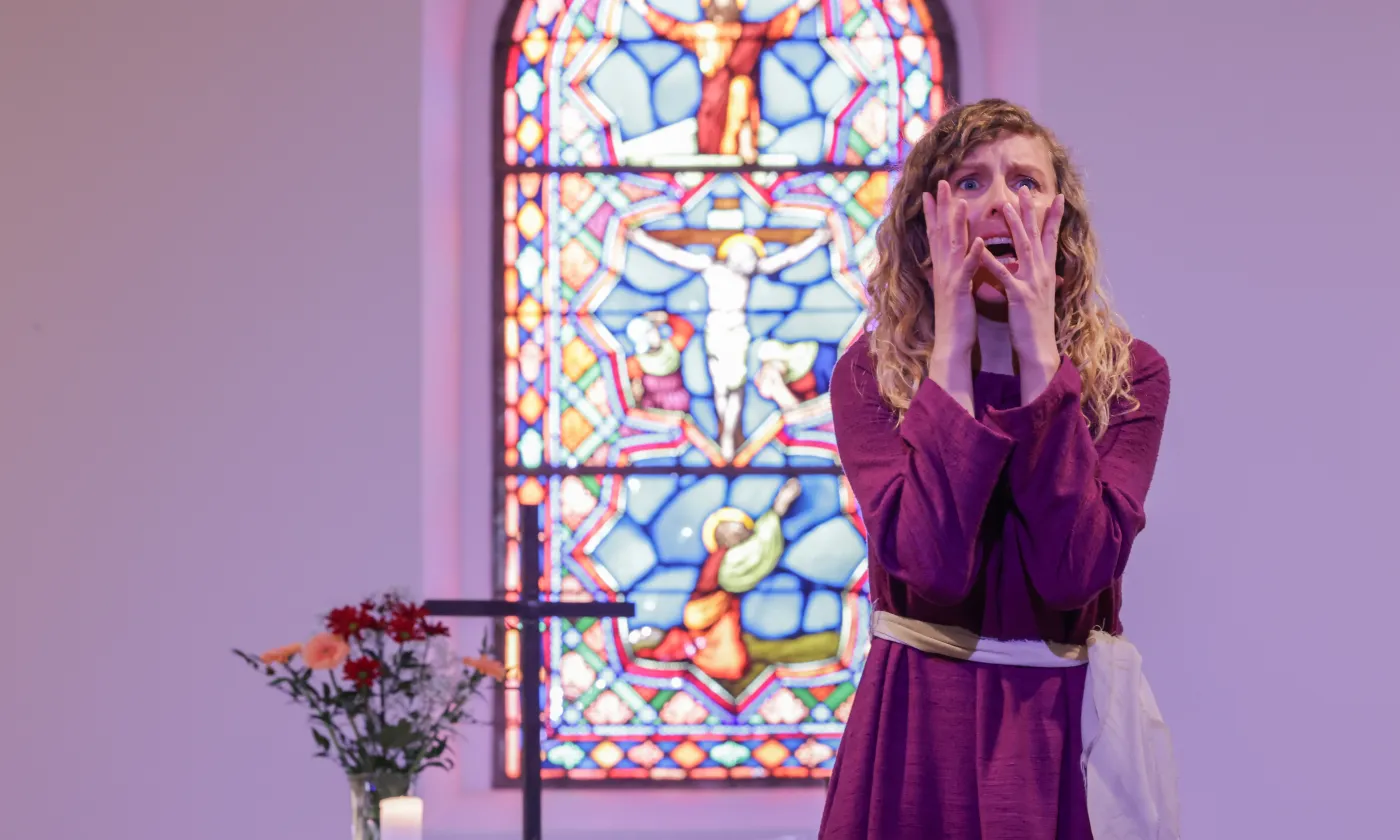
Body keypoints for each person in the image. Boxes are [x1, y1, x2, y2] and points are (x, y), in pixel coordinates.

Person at [820, 100, 1179, 839]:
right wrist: (950, 348)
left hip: (1058, 730)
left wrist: (1041, 359)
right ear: (926, 230)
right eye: (970, 182)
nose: (1000, 203)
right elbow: (930, 567)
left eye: (1024, 182)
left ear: (1062, 224)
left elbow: (1073, 571)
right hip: (918, 723)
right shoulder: (870, 374)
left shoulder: (1131, 376)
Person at [624, 225, 833, 461]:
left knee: (737, 386)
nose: (752, 260)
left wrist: (816, 240)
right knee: (720, 388)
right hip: (716, 334)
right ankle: (725, 432)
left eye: (754, 256)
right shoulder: (711, 268)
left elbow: (787, 258)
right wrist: (641, 240)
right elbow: (673, 255)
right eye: (747, 254)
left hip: (738, 334)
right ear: (731, 252)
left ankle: (730, 435)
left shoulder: (752, 271)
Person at [637, 477, 803, 682]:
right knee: (723, 657)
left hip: (721, 614)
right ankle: (667, 644)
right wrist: (777, 509)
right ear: (721, 536)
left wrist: (777, 510)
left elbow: (755, 548)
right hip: (708, 612)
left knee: (730, 658)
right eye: (734, 529)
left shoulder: (730, 557)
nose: (742, 530)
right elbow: (755, 552)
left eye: (743, 528)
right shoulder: (724, 561)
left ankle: (673, 645)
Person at [623, 0, 821, 162]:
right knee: (712, 150)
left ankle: (742, 156)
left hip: (742, 111)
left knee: (740, 90)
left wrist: (805, 6)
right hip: (712, 109)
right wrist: (641, 8)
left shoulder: (751, 34)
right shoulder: (702, 34)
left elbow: (782, 22)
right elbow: (669, 28)